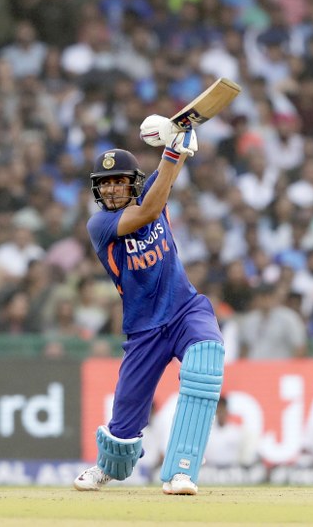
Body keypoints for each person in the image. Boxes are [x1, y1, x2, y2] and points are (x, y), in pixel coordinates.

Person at [73, 115, 225, 496]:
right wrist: (173, 150)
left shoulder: (153, 191)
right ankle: (107, 467)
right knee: (123, 436)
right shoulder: (100, 225)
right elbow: (148, 211)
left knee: (206, 359)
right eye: (104, 183)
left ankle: (181, 470)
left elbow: (168, 172)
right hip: (143, 328)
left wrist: (183, 138)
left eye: (118, 181)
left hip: (185, 308)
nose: (110, 189)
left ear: (133, 182)